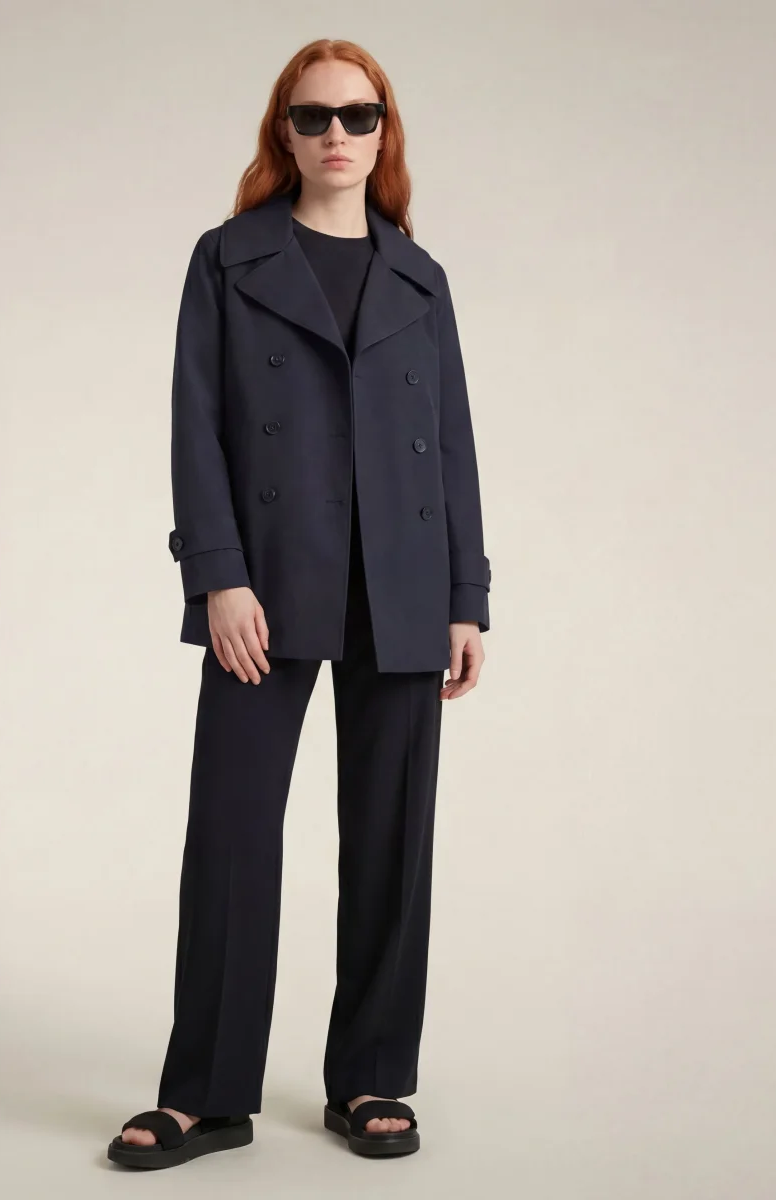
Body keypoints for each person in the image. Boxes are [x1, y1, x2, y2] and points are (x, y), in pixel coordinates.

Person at [108, 37, 490, 1171]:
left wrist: (466, 594)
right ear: (283, 129)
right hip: (268, 584)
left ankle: (371, 1077)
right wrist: (218, 573)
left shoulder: (419, 277)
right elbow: (195, 426)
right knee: (231, 836)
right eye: (314, 115)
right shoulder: (228, 260)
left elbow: (452, 448)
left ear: (384, 132)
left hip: (404, 586)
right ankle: (206, 1094)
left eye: (358, 116)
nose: (336, 135)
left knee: (391, 843)